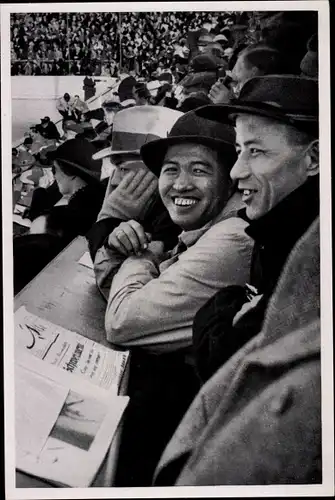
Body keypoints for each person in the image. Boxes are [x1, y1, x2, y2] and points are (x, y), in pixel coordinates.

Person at [95, 110, 253, 487]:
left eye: (199, 170)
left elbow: (123, 322)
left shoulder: (233, 237)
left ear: (229, 181)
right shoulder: (205, 227)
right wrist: (117, 238)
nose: (181, 184)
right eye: (171, 169)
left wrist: (139, 256)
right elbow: (116, 290)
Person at [154, 216, 321, 486]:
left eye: (199, 170)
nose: (238, 171)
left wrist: (132, 258)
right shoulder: (277, 236)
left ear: (312, 169)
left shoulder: (241, 235)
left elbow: (124, 321)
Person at [193, 75, 319, 382]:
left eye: (256, 151)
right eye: (239, 150)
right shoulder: (276, 230)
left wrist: (226, 303)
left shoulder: (309, 255)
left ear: (314, 158)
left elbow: (225, 362)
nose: (236, 172)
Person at [86, 105, 184, 264]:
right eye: (115, 167)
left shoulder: (174, 219)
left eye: (123, 168)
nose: (116, 178)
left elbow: (108, 272)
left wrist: (111, 217)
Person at [29, 137, 106, 239]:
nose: (54, 176)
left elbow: (40, 225)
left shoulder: (57, 220)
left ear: (70, 173)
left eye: (54, 170)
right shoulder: (103, 195)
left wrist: (39, 190)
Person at [209, 44, 294, 104]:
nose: (233, 72)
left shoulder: (268, 105)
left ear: (254, 72)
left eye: (238, 68)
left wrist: (227, 104)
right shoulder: (281, 95)